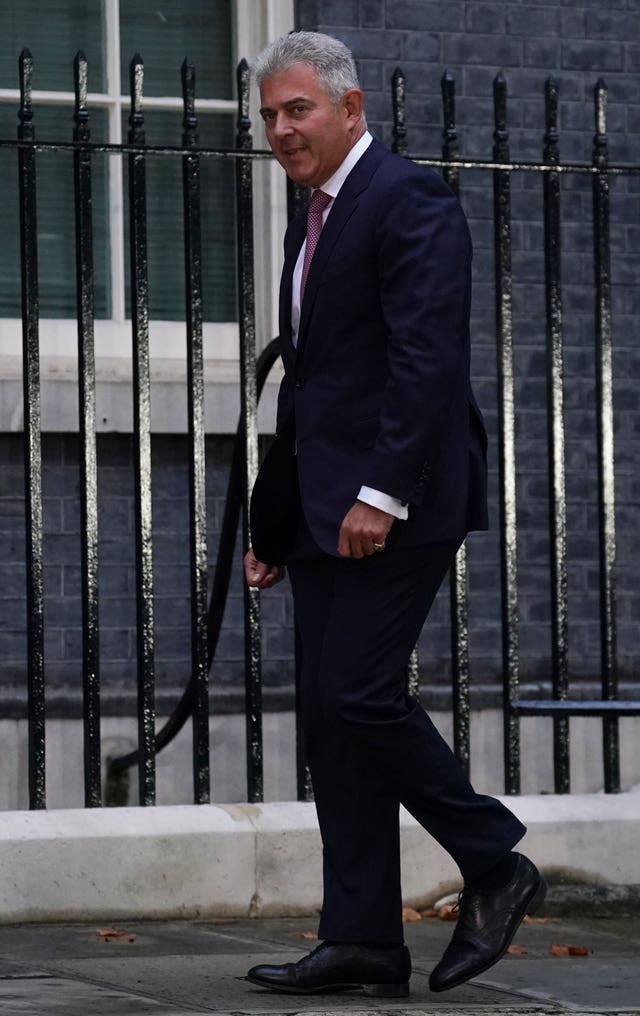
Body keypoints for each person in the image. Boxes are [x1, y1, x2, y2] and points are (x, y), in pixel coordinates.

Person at [243, 30, 545, 997]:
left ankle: (495, 862)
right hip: (324, 508)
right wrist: (273, 521)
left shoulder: (406, 198)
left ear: (351, 108)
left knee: (360, 695)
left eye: (299, 110)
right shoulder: (314, 215)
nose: (282, 130)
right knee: (333, 721)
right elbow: (314, 387)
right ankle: (364, 937)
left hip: (397, 502)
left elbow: (426, 361)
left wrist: (382, 495)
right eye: (270, 116)